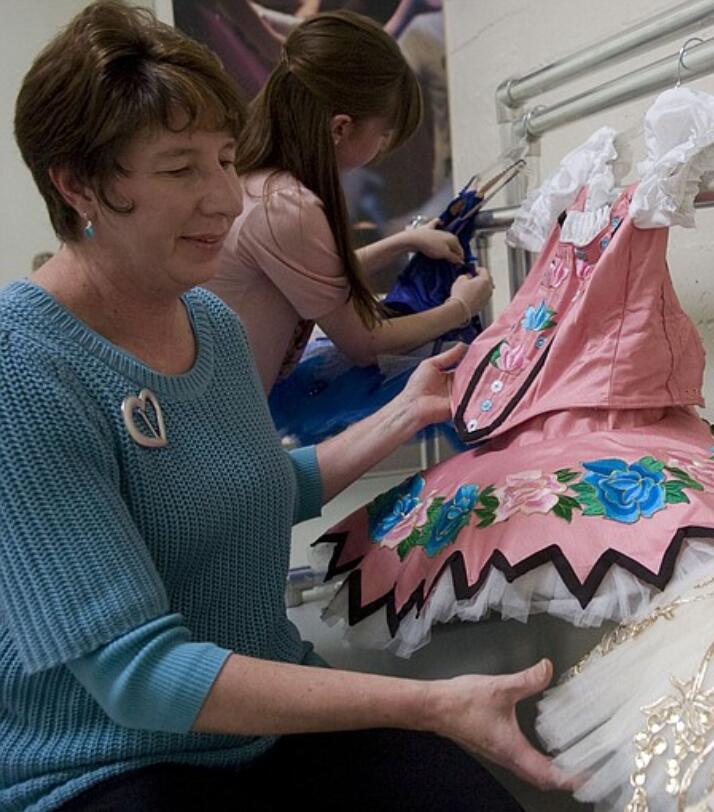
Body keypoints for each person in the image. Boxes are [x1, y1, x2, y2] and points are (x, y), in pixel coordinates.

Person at [0, 3, 555, 810]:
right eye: (180, 168)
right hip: (106, 761)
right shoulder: (25, 369)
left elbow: (257, 486)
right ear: (78, 183)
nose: (226, 198)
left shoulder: (213, 325)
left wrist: (406, 412)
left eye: (227, 159)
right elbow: (137, 676)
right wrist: (430, 704)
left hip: (258, 725)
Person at [206, 9, 492, 393]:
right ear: (340, 127)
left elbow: (313, 274)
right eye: (384, 133)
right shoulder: (285, 206)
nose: (383, 148)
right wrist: (460, 308)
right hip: (226, 414)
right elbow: (364, 342)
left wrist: (405, 241)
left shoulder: (259, 184)